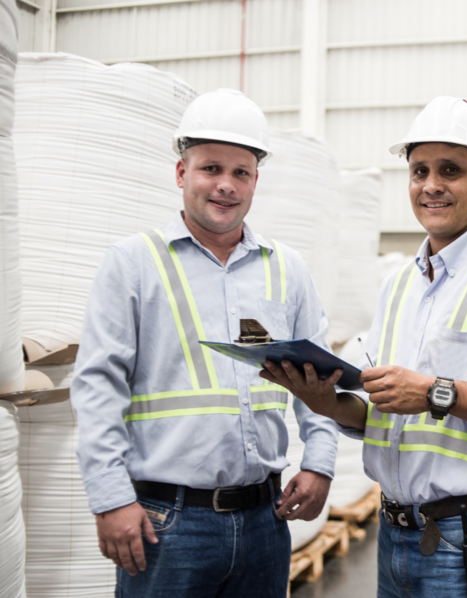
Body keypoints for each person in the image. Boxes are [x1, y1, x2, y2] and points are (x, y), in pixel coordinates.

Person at [262, 96, 467, 598]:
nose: (430, 185)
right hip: (398, 536)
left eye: (450, 170)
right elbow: (385, 410)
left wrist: (435, 392)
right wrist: (327, 402)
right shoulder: (400, 287)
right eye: (419, 170)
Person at [70, 89, 338, 597]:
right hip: (166, 525)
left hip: (266, 520)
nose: (225, 185)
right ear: (181, 173)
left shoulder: (287, 269)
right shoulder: (134, 263)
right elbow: (97, 388)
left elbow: (318, 380)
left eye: (241, 172)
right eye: (210, 168)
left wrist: (320, 462)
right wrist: (109, 497)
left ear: (256, 180)